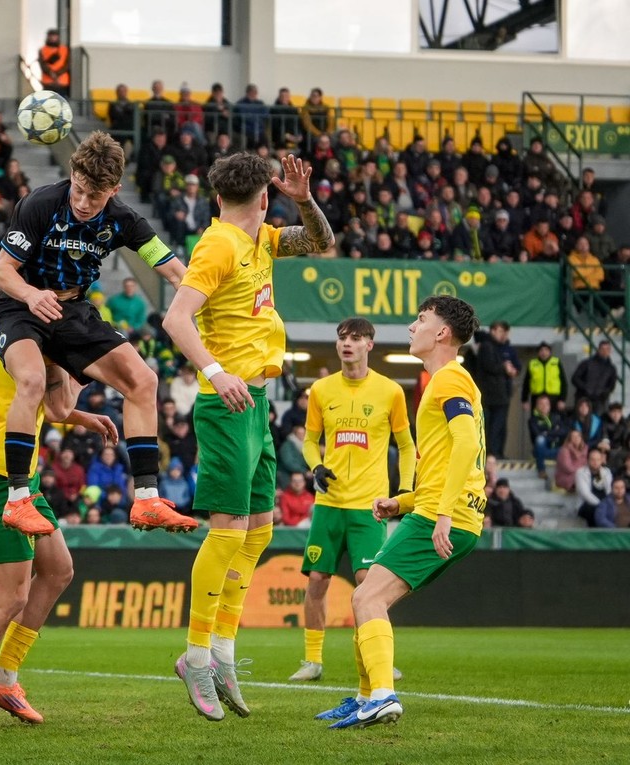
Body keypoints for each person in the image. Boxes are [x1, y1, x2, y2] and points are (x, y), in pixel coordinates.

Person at [163, 152, 334, 721]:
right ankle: (195, 655)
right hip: (227, 401)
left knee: (260, 529)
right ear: (264, 196)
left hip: (257, 401)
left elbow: (319, 243)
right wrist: (215, 372)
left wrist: (305, 201)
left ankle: (223, 650)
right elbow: (176, 318)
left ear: (220, 197)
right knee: (228, 529)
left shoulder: (262, 238)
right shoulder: (218, 246)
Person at [0, 131, 191, 539]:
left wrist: (201, 303)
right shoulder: (40, 203)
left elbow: (170, 267)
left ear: (114, 190)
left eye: (94, 198)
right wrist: (30, 294)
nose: (82, 203)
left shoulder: (123, 220)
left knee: (143, 380)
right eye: (79, 191)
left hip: (73, 310)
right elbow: (1, 272)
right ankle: (16, 501)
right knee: (31, 380)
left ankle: (148, 498)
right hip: (19, 307)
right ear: (72, 173)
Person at [0, 331, 128, 731]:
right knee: (10, 597)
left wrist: (82, 417)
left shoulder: (3, 326)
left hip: (14, 469)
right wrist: (79, 364)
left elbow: (36, 404)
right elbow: (59, 403)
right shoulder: (41, 335)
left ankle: (4, 679)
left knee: (59, 569)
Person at [326, 295, 485, 729]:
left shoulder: (450, 379)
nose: (412, 327)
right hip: (440, 511)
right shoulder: (446, 380)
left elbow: (468, 445)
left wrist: (443, 514)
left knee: (366, 596)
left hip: (442, 517)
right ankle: (365, 695)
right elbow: (450, 461)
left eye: (421, 319)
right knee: (369, 598)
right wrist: (403, 501)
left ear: (442, 333)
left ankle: (380, 695)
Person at [289, 317, 414, 683]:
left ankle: (376, 657)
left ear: (369, 345)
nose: (347, 343)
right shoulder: (322, 390)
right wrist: (315, 467)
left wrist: (404, 491)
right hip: (329, 503)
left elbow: (406, 446)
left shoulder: (390, 391)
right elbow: (311, 441)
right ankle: (312, 661)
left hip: (368, 505)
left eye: (356, 338)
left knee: (368, 583)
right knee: (316, 580)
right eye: (342, 337)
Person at [470, 321, 518, 458]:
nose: (503, 335)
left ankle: (495, 452)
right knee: (495, 426)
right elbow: (490, 367)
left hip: (495, 395)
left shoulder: (491, 347)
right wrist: (505, 367)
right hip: (493, 395)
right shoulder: (487, 347)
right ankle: (493, 453)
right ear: (492, 331)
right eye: (500, 331)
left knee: (496, 426)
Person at [572, 341, 617, 415]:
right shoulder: (586, 363)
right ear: (598, 350)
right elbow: (575, 378)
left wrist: (603, 394)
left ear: (610, 351)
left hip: (599, 401)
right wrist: (585, 389)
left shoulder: (611, 368)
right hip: (583, 399)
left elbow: (611, 385)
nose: (605, 351)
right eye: (602, 349)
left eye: (607, 349)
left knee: (597, 423)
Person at [574, 447, 613, 526]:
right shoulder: (580, 472)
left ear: (601, 460)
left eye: (598, 459)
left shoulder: (607, 472)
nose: (595, 462)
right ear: (588, 460)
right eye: (593, 459)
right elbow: (586, 494)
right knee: (592, 509)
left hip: (604, 503)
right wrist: (601, 505)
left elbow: (609, 490)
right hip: (587, 504)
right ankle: (594, 534)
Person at [521, 342, 565, 409]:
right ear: (538, 352)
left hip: (554, 397)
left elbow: (563, 382)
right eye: (541, 350)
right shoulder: (532, 364)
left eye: (546, 350)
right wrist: (524, 400)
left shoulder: (556, 362)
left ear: (550, 352)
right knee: (536, 418)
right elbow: (526, 383)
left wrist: (562, 399)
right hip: (536, 397)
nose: (544, 352)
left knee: (553, 418)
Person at [37, 28, 70, 98]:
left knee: (62, 104)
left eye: (54, 36)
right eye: (51, 36)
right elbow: (42, 65)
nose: (52, 38)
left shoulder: (65, 49)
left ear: (58, 37)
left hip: (62, 83)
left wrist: (57, 74)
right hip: (48, 83)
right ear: (47, 37)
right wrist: (51, 73)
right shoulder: (42, 50)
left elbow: (67, 64)